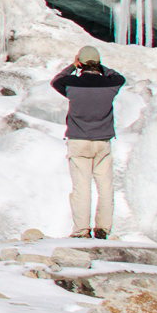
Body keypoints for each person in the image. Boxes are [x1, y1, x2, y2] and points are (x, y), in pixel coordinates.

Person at [50, 45, 125, 239]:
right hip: (102, 142)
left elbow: (56, 80)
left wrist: (73, 66)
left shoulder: (71, 84)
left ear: (81, 64)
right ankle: (103, 229)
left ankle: (81, 231)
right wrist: (101, 68)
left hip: (78, 141)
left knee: (81, 189)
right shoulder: (110, 85)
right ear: (98, 64)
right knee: (105, 188)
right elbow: (119, 77)